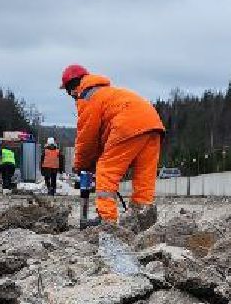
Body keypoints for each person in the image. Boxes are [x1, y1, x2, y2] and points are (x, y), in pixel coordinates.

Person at [62, 64, 165, 231]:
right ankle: (142, 218)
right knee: (143, 177)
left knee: (106, 170)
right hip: (153, 125)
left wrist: (81, 164)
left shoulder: (87, 96)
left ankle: (107, 220)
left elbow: (87, 136)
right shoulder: (108, 93)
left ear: (71, 89)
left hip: (128, 124)